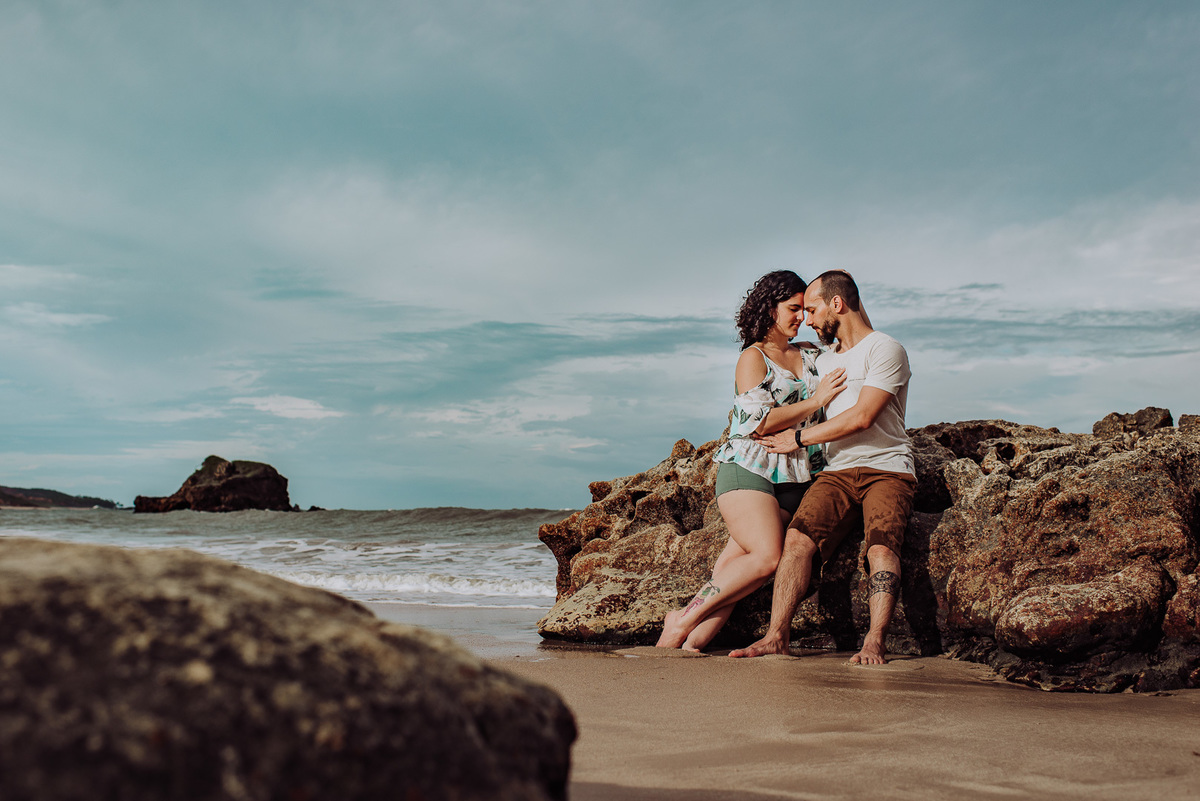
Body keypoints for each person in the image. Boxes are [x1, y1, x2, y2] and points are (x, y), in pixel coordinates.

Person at [731, 269, 915, 664]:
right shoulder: (823, 358)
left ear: (837, 304)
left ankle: (874, 642)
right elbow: (766, 404)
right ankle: (775, 636)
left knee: (881, 548)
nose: (807, 320)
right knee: (796, 543)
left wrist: (797, 439)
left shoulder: (887, 349)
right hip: (834, 472)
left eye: (812, 309)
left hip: (887, 467)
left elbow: (863, 416)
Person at [656, 270, 846, 651]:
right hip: (749, 469)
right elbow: (758, 423)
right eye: (793, 309)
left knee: (731, 573)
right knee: (765, 557)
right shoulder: (752, 358)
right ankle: (682, 619)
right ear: (769, 308)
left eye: (806, 309)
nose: (801, 317)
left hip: (796, 475)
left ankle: (683, 644)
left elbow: (851, 349)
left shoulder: (812, 353)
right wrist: (816, 401)